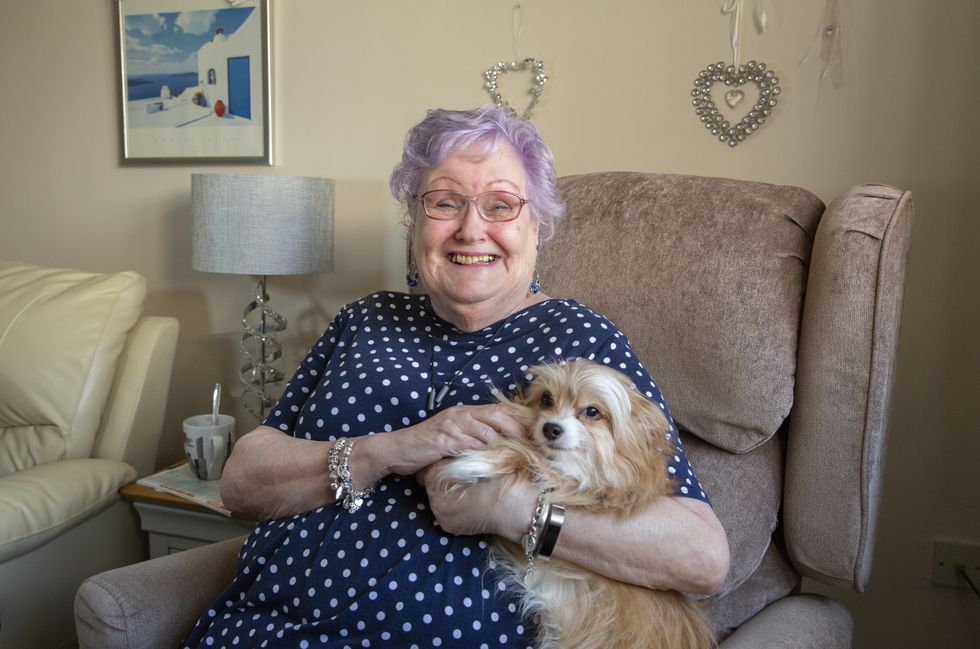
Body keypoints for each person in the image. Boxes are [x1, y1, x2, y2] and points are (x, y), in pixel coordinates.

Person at [182, 105, 730, 649]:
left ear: (536, 225)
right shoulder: (363, 320)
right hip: (257, 628)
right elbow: (242, 483)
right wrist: (388, 450)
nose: (472, 229)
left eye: (501, 206)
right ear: (416, 221)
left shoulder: (580, 339)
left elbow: (701, 557)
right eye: (446, 202)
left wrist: (514, 511)